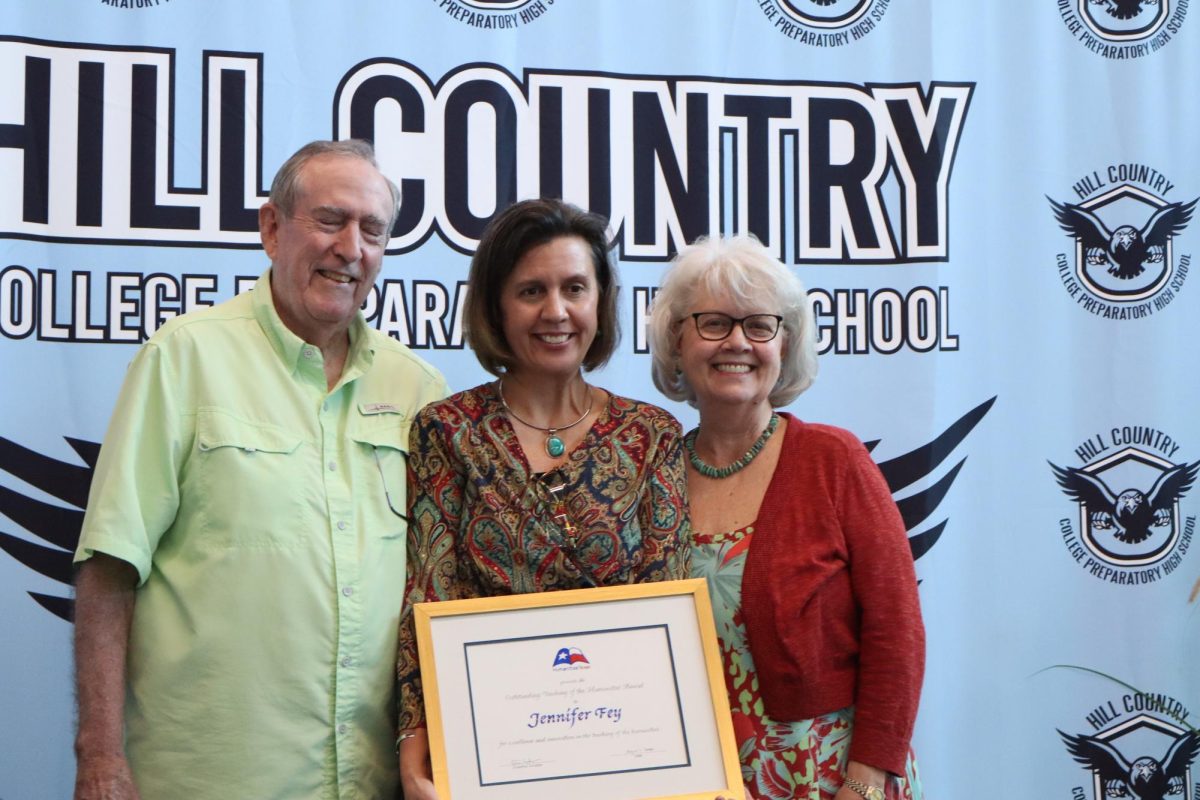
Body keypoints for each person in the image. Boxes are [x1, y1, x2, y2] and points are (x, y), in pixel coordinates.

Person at [71, 139, 447, 800]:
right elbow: (109, 567)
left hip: (372, 783)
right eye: (330, 220)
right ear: (272, 228)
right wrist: (100, 755)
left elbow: (440, 592)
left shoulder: (418, 389)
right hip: (211, 779)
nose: (351, 248)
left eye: (373, 230)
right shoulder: (184, 359)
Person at [396, 198, 691, 800]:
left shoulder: (652, 436)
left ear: (600, 302)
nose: (555, 311)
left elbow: (673, 611)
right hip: (485, 759)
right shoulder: (447, 431)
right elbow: (427, 595)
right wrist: (414, 738)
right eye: (531, 291)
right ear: (496, 307)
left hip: (625, 761)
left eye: (574, 288)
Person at [648, 236, 925, 800]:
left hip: (827, 773)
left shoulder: (834, 460)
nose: (737, 343)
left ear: (785, 344)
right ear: (676, 340)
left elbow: (897, 633)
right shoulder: (651, 475)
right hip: (694, 775)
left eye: (759, 326)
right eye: (713, 323)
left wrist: (867, 781)